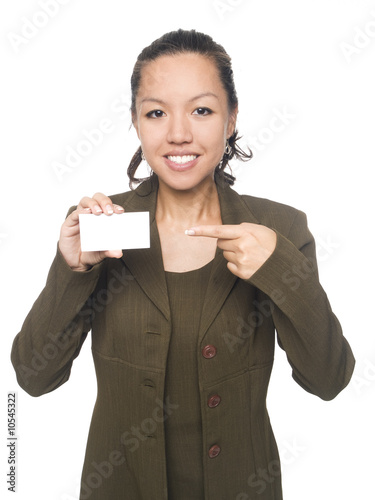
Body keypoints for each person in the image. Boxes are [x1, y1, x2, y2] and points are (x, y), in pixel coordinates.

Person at [11, 29, 355, 500]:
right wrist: (74, 271)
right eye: (156, 112)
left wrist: (280, 273)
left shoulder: (280, 229)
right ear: (135, 121)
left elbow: (329, 379)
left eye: (202, 110)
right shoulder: (101, 228)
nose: (178, 133)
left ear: (231, 118)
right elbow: (33, 376)